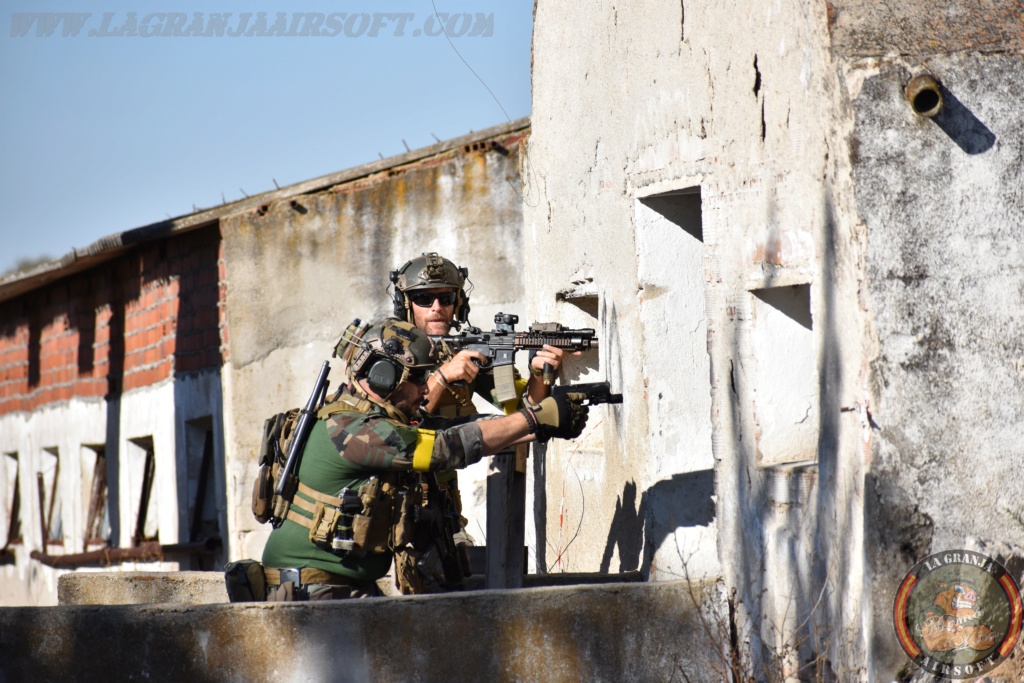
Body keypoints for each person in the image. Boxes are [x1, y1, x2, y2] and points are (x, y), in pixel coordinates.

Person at [260, 318, 588, 600]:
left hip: (337, 586)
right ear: (383, 377)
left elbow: (461, 429)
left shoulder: (373, 418)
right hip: (312, 593)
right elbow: (443, 448)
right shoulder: (351, 428)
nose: (426, 390)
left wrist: (542, 422)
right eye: (418, 379)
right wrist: (533, 421)